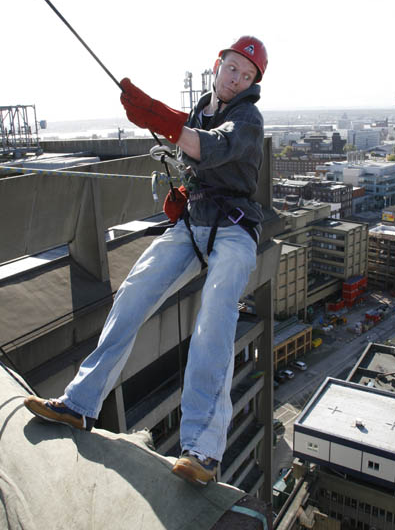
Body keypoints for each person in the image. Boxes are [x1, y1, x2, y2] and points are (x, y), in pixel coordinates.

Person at [24, 35, 268, 486]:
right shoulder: (202, 110)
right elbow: (193, 140)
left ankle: (203, 450)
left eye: (247, 76)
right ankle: (80, 403)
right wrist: (172, 137)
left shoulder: (248, 118)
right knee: (133, 294)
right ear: (218, 65)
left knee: (215, 318)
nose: (237, 79)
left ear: (253, 84)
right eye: (232, 68)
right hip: (194, 222)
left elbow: (211, 147)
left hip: (234, 231)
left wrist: (159, 118)